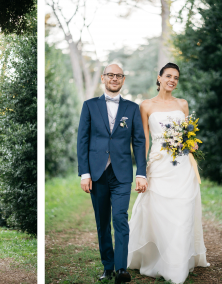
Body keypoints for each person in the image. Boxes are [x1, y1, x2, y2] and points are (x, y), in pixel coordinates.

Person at [127, 62, 209, 283]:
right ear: (159, 78)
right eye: (169, 76)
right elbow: (143, 141)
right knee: (158, 212)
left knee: (182, 211)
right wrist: (140, 171)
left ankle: (177, 265)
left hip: (182, 166)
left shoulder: (182, 104)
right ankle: (156, 259)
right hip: (159, 165)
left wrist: (192, 143)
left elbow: (188, 132)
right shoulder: (145, 106)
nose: (172, 80)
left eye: (176, 78)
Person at [77, 64, 148, 283]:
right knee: (102, 222)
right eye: (110, 75)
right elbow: (83, 140)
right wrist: (84, 173)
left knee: (120, 218)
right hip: (97, 174)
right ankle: (107, 267)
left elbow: (138, 141)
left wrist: (141, 173)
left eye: (118, 75)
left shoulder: (132, 108)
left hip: (122, 173)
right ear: (103, 78)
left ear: (123, 80)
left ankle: (121, 268)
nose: (114, 78)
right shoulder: (89, 106)